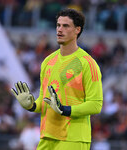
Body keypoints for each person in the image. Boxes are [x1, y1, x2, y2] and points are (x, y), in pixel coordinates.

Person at [11, 8, 103, 150]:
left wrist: (65, 109)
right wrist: (31, 106)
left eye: (66, 26)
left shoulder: (87, 63)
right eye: (58, 25)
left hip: (73, 138)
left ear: (77, 30)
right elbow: (45, 100)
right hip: (47, 136)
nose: (60, 30)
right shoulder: (48, 61)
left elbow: (96, 104)